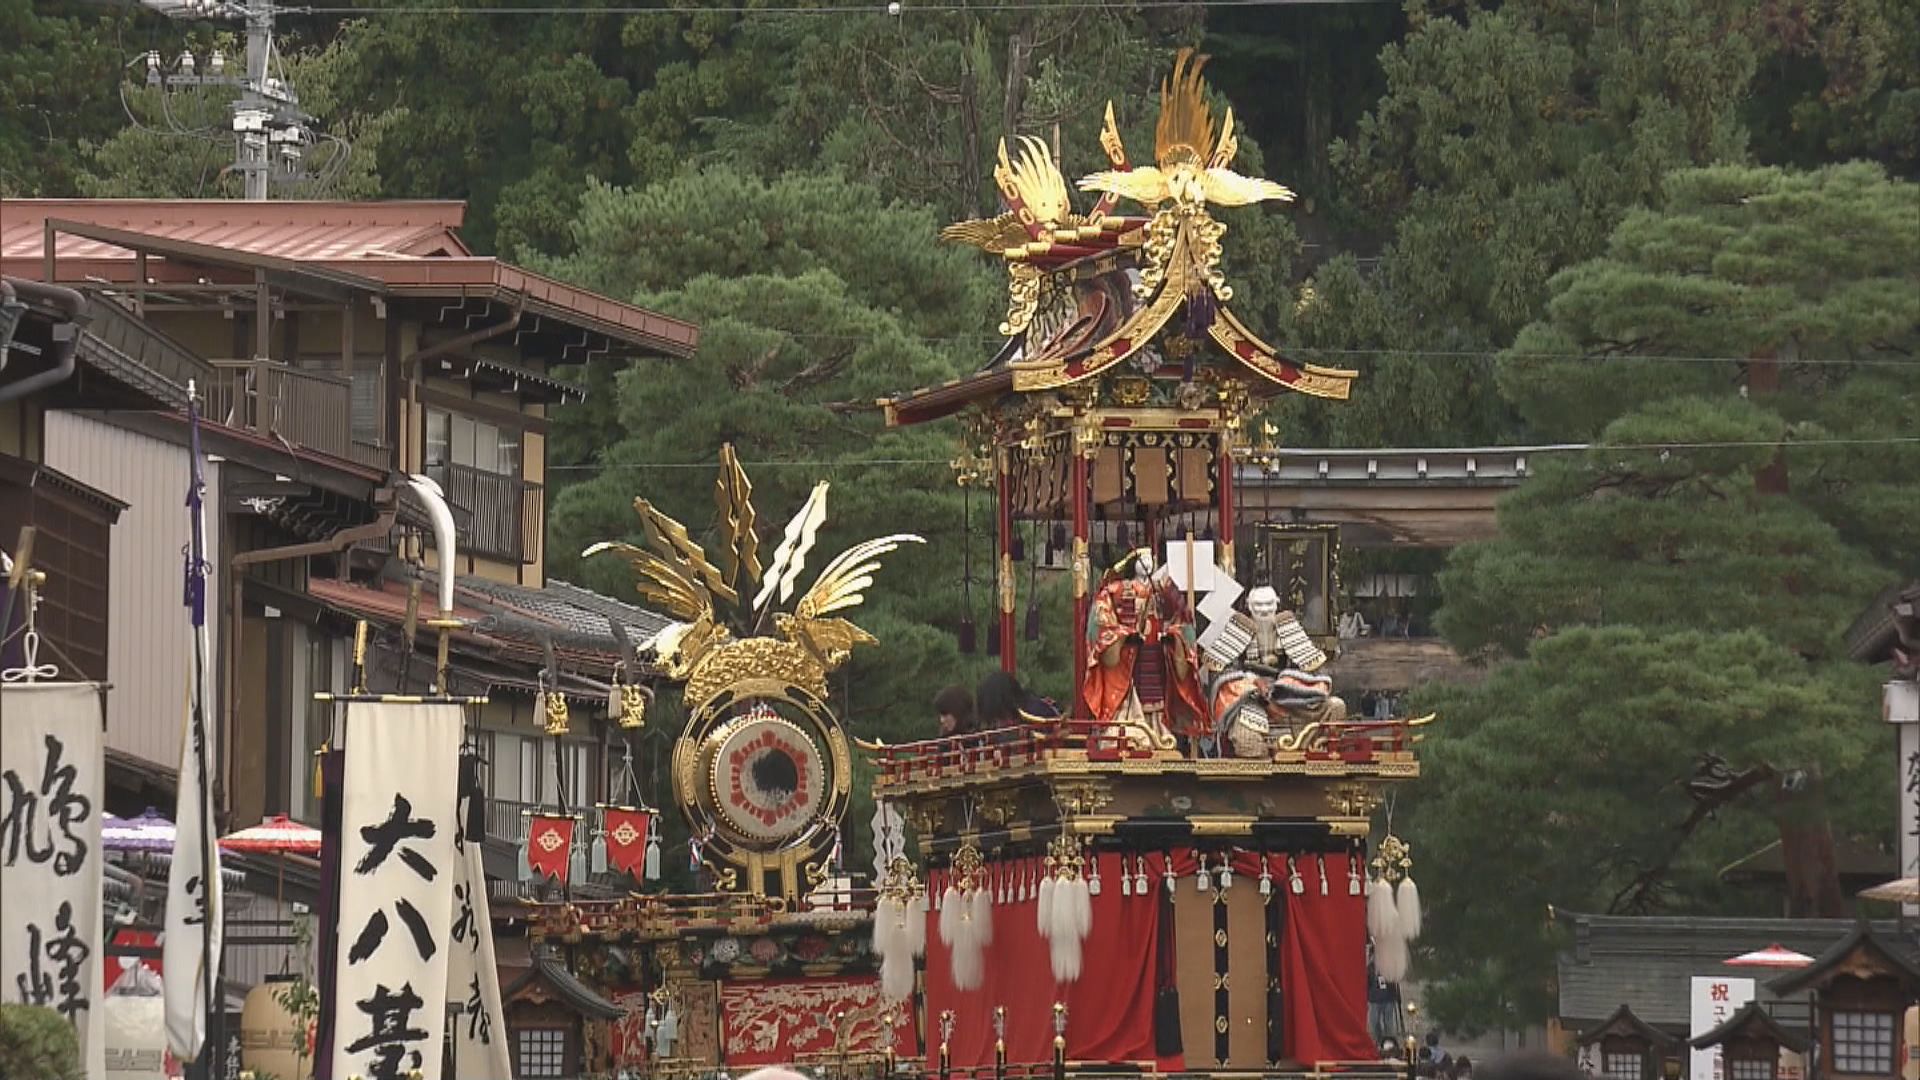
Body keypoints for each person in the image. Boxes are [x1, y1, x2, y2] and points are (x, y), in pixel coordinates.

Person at [1081, 547, 1208, 747]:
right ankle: (1130, 732)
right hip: (1129, 652)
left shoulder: (1161, 589)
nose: (1148, 563)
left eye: (1151, 559)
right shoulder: (1119, 588)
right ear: (1133, 564)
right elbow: (1101, 618)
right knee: (1127, 692)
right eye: (1143, 559)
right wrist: (1122, 633)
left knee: (1156, 692)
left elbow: (1181, 615)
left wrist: (1175, 632)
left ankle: (1159, 733)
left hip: (1156, 649)